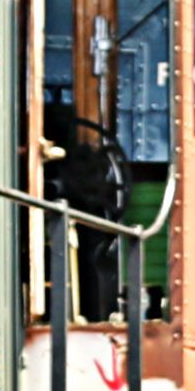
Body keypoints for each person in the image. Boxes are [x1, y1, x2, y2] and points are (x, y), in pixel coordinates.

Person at [45, 102, 129, 318]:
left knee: (88, 264)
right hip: (77, 230)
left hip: (81, 232)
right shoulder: (84, 164)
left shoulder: (82, 166)